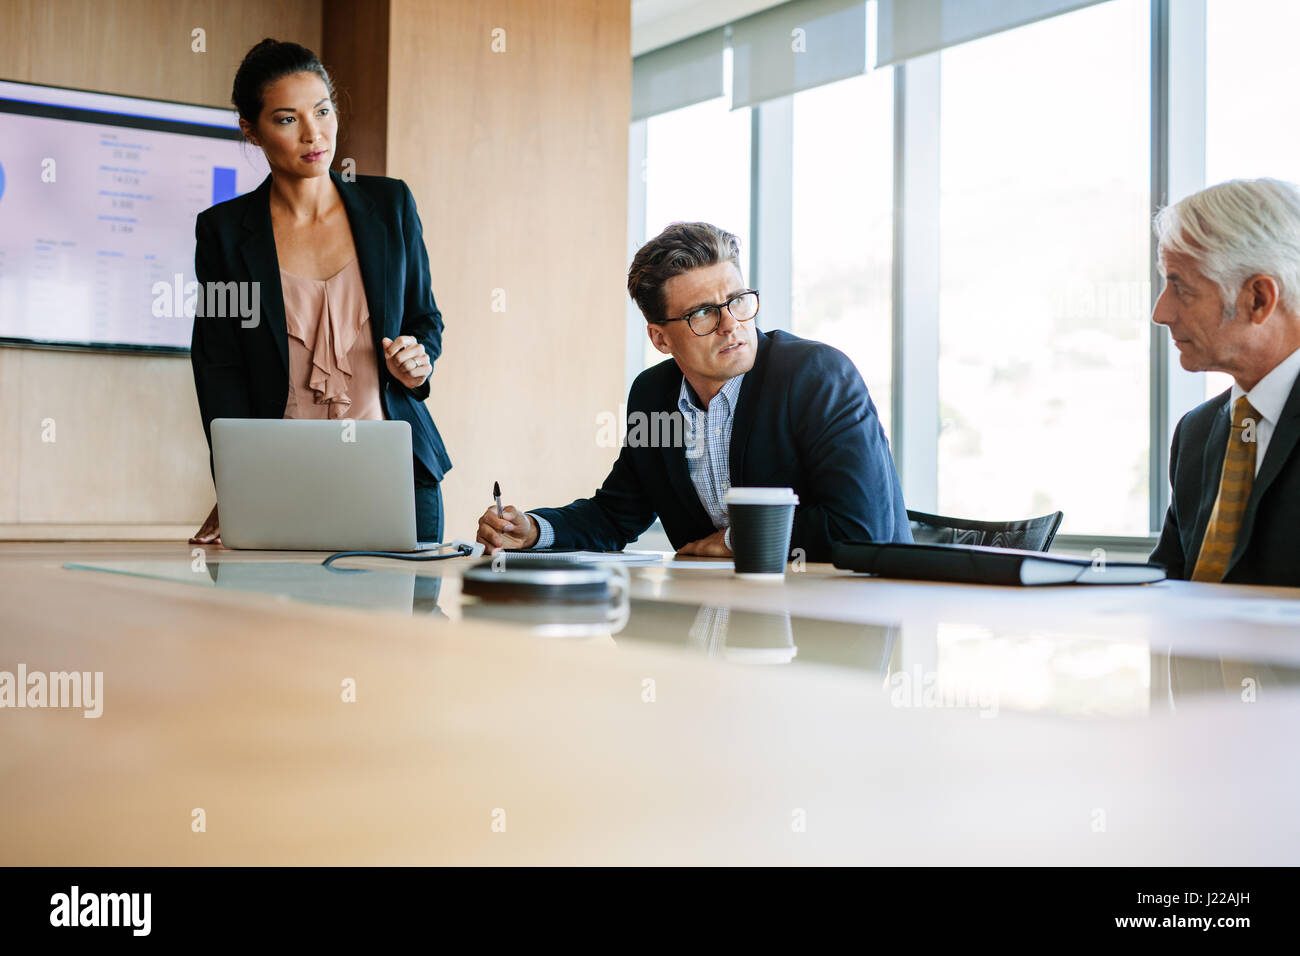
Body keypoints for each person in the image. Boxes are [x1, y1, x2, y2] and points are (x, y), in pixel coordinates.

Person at [476, 221, 910, 562]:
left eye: (737, 299)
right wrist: (533, 530)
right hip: (716, 625)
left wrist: (736, 540)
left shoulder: (818, 376)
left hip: (838, 631)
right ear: (660, 338)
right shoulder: (653, 395)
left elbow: (861, 528)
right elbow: (615, 516)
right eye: (703, 312)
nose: (731, 325)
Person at [188, 39, 450, 545]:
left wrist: (418, 362)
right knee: (280, 625)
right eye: (287, 119)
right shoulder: (223, 232)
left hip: (395, 469)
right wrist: (238, 482)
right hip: (282, 474)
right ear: (251, 129)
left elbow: (424, 320)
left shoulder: (390, 204)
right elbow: (219, 367)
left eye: (323, 111)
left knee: (405, 623)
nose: (314, 134)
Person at [1149, 178, 1300, 585]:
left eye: (1180, 287)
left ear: (1259, 299)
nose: (1160, 313)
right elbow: (1166, 586)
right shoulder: (1196, 433)